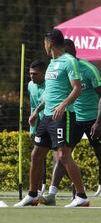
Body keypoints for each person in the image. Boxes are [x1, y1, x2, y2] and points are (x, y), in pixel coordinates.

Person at [38, 39, 101, 206]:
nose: (65, 56)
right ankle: (52, 194)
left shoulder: (89, 69)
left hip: (93, 120)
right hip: (74, 119)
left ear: (74, 53)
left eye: (68, 53)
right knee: (63, 155)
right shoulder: (61, 67)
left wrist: (98, 122)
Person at [14, 29, 89, 207]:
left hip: (62, 116)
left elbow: (77, 88)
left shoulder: (69, 61)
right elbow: (50, 93)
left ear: (50, 43)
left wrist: (63, 106)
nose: (44, 46)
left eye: (44, 43)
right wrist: (36, 112)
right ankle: (33, 195)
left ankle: (82, 197)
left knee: (63, 155)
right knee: (36, 154)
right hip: (46, 117)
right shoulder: (52, 62)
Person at [28, 59, 47, 195]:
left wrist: (35, 112)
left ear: (43, 73)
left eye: (35, 74)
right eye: (30, 74)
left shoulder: (50, 84)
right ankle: (36, 191)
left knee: (61, 157)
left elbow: (46, 101)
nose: (32, 77)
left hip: (55, 121)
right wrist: (32, 129)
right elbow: (33, 107)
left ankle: (78, 193)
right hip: (42, 126)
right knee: (37, 156)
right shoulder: (30, 85)